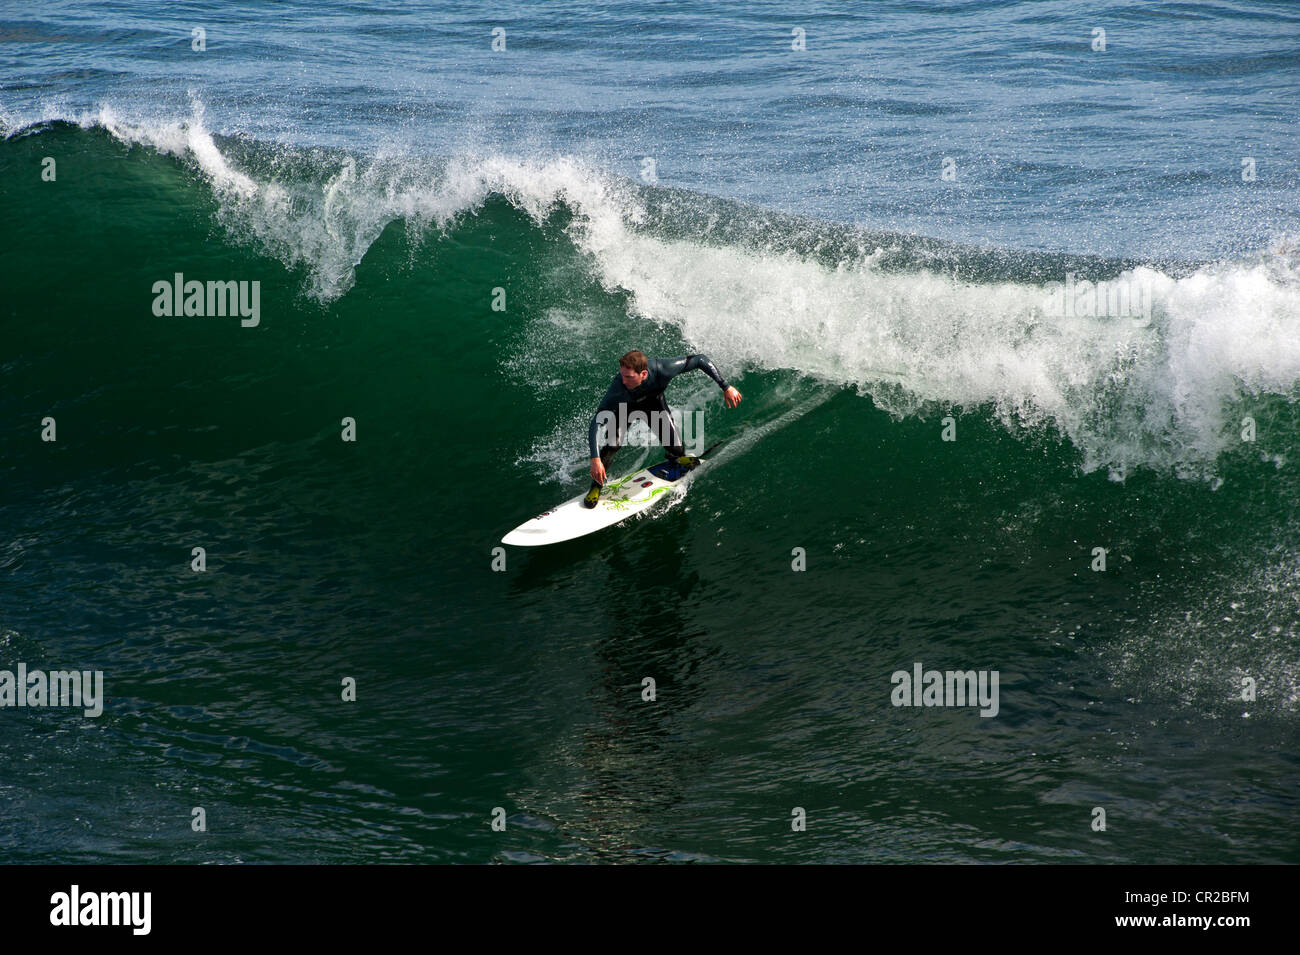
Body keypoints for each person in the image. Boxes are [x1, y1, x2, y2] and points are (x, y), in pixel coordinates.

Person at [583, 350, 742, 507]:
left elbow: (699, 359)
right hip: (625, 409)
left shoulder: (662, 368)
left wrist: (726, 387)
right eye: (622, 375)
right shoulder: (618, 388)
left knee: (678, 450)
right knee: (612, 446)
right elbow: (596, 422)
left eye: (629, 377)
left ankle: (674, 459)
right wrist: (595, 459)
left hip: (654, 405)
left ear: (644, 374)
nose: (623, 381)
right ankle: (596, 486)